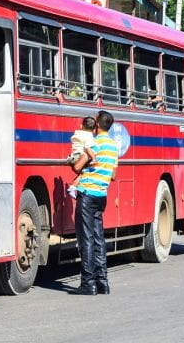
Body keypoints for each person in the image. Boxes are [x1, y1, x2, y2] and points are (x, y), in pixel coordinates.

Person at [73, 110, 119, 295]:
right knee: (99, 238)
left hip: (87, 194)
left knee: (86, 239)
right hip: (102, 195)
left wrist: (81, 157)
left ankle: (88, 283)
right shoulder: (114, 146)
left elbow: (77, 166)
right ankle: (103, 282)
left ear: (97, 125)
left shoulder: (94, 143)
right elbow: (113, 175)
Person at [66, 116, 98, 197]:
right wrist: (94, 158)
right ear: (94, 130)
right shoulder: (88, 136)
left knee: (82, 173)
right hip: (80, 157)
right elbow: (87, 148)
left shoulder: (77, 134)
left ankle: (72, 188)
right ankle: (73, 187)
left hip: (73, 157)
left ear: (81, 126)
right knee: (84, 173)